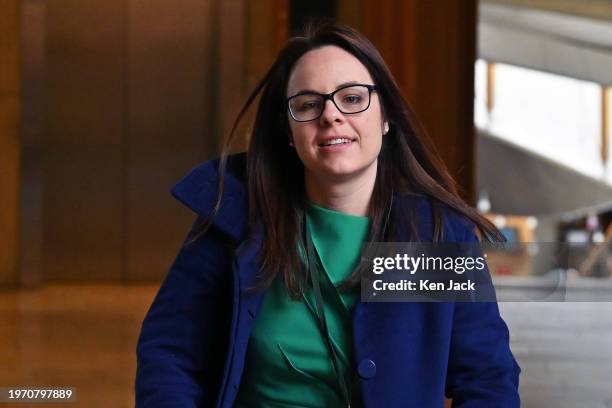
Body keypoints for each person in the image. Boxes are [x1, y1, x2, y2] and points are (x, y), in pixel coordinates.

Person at [135, 23, 520, 408]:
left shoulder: (434, 236)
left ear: (386, 118)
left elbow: (486, 377)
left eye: (352, 99)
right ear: (288, 130)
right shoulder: (236, 216)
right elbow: (170, 353)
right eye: (307, 104)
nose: (331, 115)